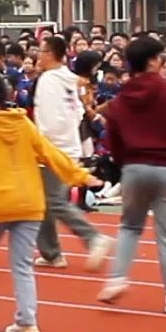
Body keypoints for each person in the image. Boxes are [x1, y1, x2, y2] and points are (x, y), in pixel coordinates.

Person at [0, 72, 99, 332]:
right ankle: (27, 321)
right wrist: (81, 176)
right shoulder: (23, 124)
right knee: (22, 265)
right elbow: (51, 155)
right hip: (29, 203)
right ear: (8, 96)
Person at [97, 36, 166, 314]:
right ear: (153, 61)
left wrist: (124, 163)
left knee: (129, 227)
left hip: (134, 167)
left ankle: (117, 278)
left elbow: (111, 138)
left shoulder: (120, 99)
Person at [30, 35, 114, 271]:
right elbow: (78, 111)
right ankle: (51, 252)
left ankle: (92, 237)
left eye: (41, 51)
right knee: (45, 201)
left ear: (50, 54)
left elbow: (49, 120)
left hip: (53, 148)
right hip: (69, 146)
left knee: (53, 201)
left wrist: (43, 144)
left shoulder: (48, 80)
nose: (38, 55)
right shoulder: (71, 79)